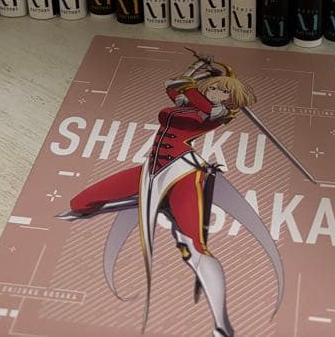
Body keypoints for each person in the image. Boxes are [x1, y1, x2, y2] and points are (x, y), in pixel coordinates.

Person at [61, 55, 263, 337]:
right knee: (79, 203)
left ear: (231, 100)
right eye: (214, 87)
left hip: (182, 175)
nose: (216, 92)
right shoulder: (191, 102)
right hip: (152, 169)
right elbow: (173, 84)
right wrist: (197, 67)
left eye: (223, 91)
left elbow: (189, 91)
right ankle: (150, 202)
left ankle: (221, 323)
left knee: (194, 246)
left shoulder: (215, 112)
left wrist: (194, 81)